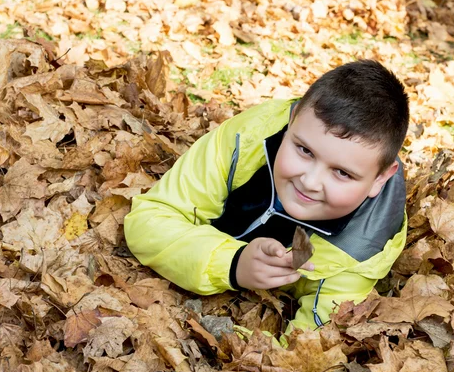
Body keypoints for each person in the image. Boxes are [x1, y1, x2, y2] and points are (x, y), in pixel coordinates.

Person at [124, 59, 409, 334]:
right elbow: (149, 220)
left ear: (381, 178)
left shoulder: (366, 241)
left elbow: (313, 340)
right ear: (292, 119)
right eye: (305, 151)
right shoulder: (246, 138)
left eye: (342, 173)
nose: (310, 182)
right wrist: (233, 264)